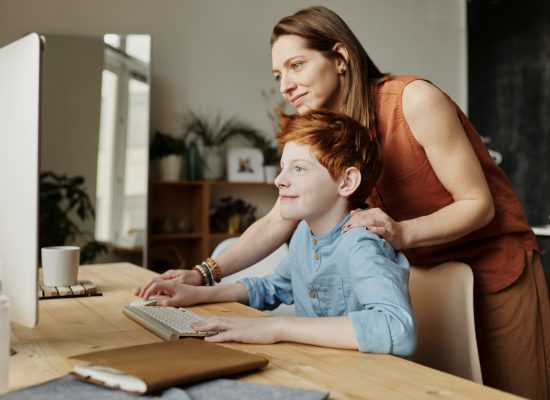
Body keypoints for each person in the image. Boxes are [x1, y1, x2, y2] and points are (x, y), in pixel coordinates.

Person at [137, 6, 549, 398]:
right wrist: (203, 274)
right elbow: (278, 219)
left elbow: (478, 205)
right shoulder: (330, 131)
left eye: (297, 65)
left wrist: (401, 231)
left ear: (340, 57)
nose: (285, 85)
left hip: (495, 272)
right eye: (279, 74)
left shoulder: (414, 99)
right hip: (423, 273)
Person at [141, 110, 416, 356]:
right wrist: (198, 293)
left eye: (298, 168)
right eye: (283, 167)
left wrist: (277, 327)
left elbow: (396, 328)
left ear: (346, 181)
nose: (279, 179)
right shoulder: (303, 235)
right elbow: (275, 287)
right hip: (317, 366)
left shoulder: (361, 244)